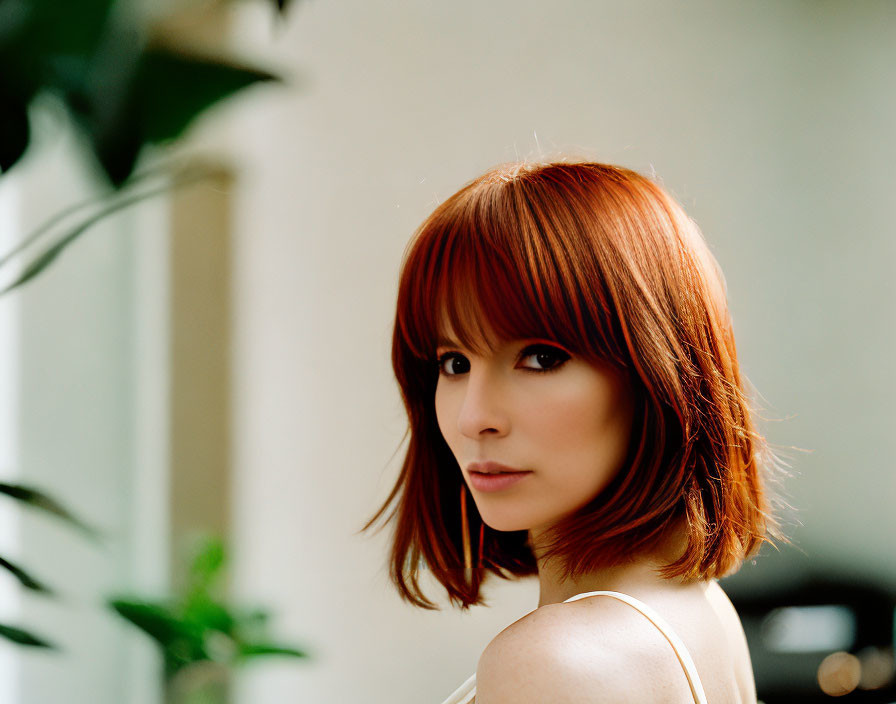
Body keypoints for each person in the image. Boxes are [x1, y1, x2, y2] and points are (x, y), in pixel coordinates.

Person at [363, 159, 783, 703]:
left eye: (539, 357)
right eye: (454, 362)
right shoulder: (697, 608)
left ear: (659, 375)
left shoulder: (557, 662)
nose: (473, 418)